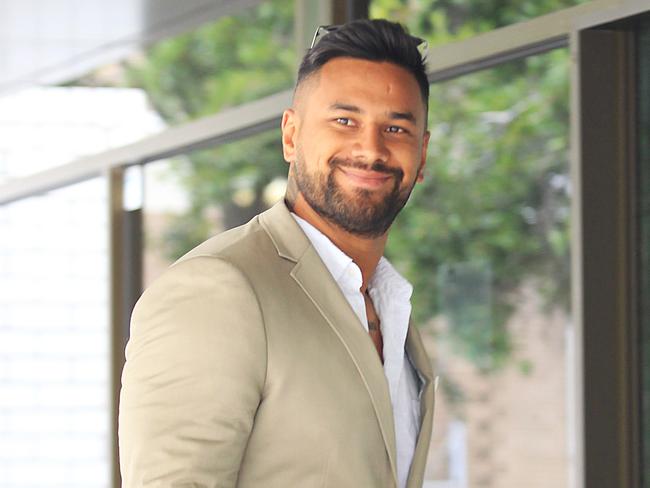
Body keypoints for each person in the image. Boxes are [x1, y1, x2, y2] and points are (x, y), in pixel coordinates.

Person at [119, 18, 434, 488]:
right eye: (345, 121)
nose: (370, 149)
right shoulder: (218, 291)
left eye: (396, 128)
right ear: (291, 136)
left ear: (421, 156)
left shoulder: (393, 313)